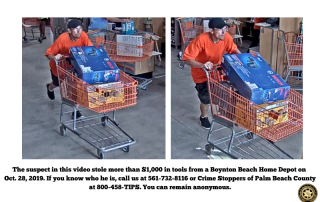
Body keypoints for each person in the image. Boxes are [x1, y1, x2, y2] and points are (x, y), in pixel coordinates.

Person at [182, 18, 241, 129]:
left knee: (226, 94)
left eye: (225, 28)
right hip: (202, 74)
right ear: (211, 30)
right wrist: (202, 65)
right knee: (205, 99)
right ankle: (203, 117)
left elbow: (233, 50)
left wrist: (243, 60)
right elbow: (187, 59)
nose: (224, 32)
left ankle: (229, 116)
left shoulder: (226, 37)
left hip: (217, 71)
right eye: (220, 30)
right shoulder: (201, 40)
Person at [45, 19, 93, 119]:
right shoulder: (62, 39)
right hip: (60, 66)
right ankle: (50, 87)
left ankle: (76, 111)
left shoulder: (83, 35)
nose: (79, 31)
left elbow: (90, 48)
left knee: (78, 87)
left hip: (76, 65)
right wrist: (55, 57)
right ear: (69, 31)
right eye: (76, 29)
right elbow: (49, 53)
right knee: (58, 83)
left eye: (80, 28)